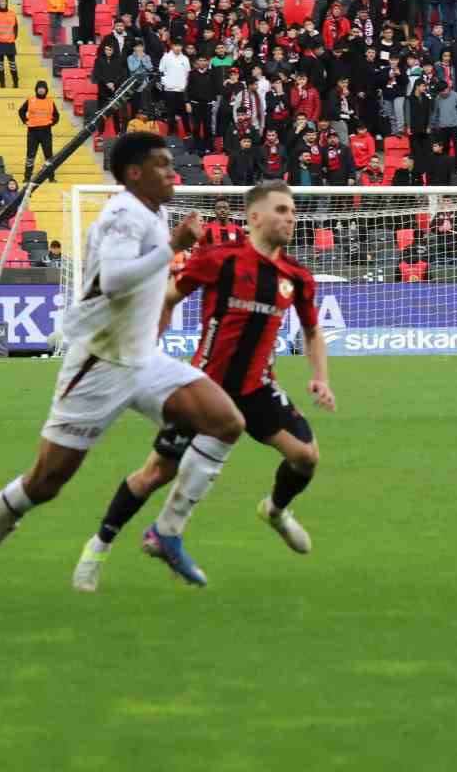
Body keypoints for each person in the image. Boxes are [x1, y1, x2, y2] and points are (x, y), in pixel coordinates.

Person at [0, 133, 245, 613]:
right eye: (162, 165)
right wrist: (174, 247)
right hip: (99, 362)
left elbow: (143, 286)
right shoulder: (124, 214)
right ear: (134, 173)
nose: (173, 172)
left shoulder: (154, 213)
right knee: (46, 482)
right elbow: (116, 281)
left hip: (141, 358)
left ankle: (167, 531)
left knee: (224, 421)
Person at [70, 180, 335, 591]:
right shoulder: (219, 259)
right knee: (155, 473)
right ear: (255, 217)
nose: (291, 218)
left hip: (257, 389)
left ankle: (275, 511)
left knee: (306, 457)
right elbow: (167, 297)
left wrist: (320, 378)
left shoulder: (295, 275)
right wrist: (146, 347)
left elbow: (313, 331)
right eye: (282, 210)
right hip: (205, 389)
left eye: (293, 212)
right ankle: (97, 548)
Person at [19, 80, 61, 183]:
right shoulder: (30, 100)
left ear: (46, 90)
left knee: (49, 155)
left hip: (46, 132)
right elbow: (21, 111)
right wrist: (25, 121)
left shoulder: (50, 101)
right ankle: (27, 177)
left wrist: (52, 123)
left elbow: (56, 115)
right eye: (39, 88)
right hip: (32, 132)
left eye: (43, 88)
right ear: (36, 89)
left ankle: (51, 177)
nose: (41, 90)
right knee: (30, 155)